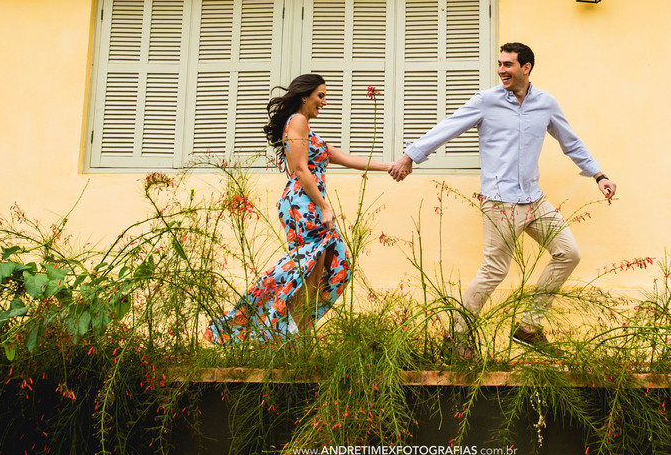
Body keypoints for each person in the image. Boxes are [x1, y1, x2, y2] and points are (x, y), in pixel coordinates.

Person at [388, 42, 617, 353]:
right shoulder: (486, 101)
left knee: (568, 253)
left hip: (534, 200)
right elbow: (449, 128)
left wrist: (598, 175)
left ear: (526, 68)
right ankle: (457, 337)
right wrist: (410, 156)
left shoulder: (546, 104)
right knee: (494, 270)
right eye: (500, 64)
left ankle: (528, 326)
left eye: (508, 64)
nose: (501, 70)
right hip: (499, 202)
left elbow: (571, 142)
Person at [206, 73, 394, 343]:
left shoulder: (308, 130)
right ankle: (290, 331)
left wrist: (393, 165)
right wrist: (324, 205)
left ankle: (292, 329)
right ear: (304, 96)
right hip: (303, 203)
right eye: (321, 95)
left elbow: (348, 158)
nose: (324, 102)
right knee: (311, 264)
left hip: (308, 202)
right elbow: (300, 170)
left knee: (323, 265)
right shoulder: (298, 121)